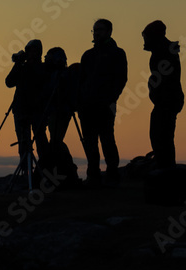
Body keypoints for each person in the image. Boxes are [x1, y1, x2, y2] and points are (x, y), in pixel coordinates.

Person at [78, 19, 128, 186]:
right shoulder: (87, 55)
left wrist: (110, 99)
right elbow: (81, 80)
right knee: (90, 142)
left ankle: (112, 175)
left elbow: (121, 79)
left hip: (106, 105)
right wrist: (81, 101)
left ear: (109, 31)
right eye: (94, 30)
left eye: (99, 29)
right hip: (87, 107)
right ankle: (93, 176)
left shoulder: (117, 53)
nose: (96, 33)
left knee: (107, 139)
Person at [142, 20, 184, 169]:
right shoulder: (162, 51)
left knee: (161, 136)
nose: (144, 41)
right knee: (160, 135)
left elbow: (164, 79)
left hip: (167, 101)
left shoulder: (164, 52)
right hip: (165, 101)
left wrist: (153, 85)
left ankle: (166, 168)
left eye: (146, 37)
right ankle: (164, 166)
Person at [40, 47, 80, 185]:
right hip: (55, 111)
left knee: (56, 141)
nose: (45, 60)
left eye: (48, 57)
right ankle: (63, 173)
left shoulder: (64, 75)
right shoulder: (51, 74)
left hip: (61, 111)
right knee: (55, 141)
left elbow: (65, 94)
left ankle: (66, 173)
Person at [5, 39, 46, 169]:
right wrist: (18, 64)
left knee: (40, 139)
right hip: (21, 109)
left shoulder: (43, 68)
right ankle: (25, 172)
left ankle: (44, 168)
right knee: (23, 142)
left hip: (37, 110)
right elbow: (9, 82)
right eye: (29, 51)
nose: (31, 54)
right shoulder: (22, 67)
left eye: (34, 51)